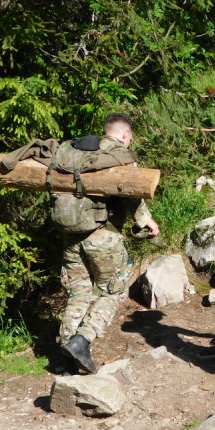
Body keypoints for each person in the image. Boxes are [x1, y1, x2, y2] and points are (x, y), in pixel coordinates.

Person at [58, 113, 160, 374]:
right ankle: (83, 340)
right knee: (114, 291)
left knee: (79, 291)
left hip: (70, 235)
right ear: (125, 135)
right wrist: (146, 222)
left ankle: (66, 349)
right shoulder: (117, 155)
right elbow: (132, 193)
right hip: (101, 234)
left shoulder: (76, 151)